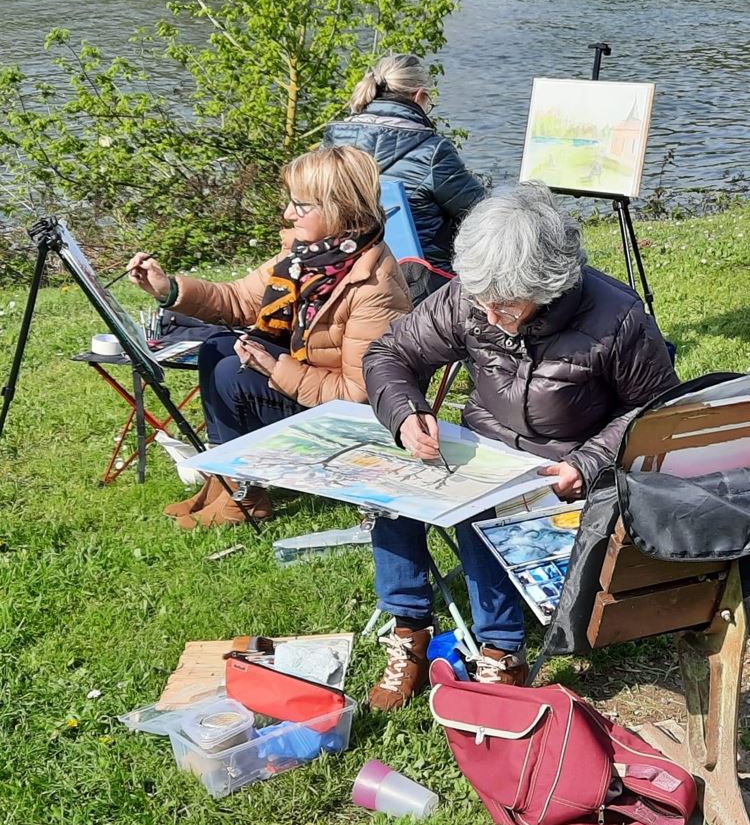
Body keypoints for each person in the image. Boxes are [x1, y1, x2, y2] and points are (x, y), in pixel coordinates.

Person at [361, 182, 678, 709]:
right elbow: (390, 354)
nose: (487, 317)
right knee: (393, 497)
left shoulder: (616, 318)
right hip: (484, 447)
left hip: (564, 469)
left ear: (548, 286)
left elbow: (657, 412)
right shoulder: (475, 296)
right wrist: (405, 413)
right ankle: (409, 628)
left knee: (485, 510)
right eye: (480, 300)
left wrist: (588, 461)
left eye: (504, 306)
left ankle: (501, 651)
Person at [126, 146, 413, 528]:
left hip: (353, 421)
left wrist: (277, 367)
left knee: (234, 374)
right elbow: (238, 299)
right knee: (217, 348)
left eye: (300, 205)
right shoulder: (305, 257)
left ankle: (244, 494)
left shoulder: (375, 287)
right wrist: (169, 291)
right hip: (312, 387)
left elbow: (358, 395)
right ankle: (226, 479)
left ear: (338, 209)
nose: (287, 214)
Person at [323, 52, 486, 293]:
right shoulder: (432, 151)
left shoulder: (333, 142)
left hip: (343, 267)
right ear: (419, 96)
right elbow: (480, 211)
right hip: (420, 281)